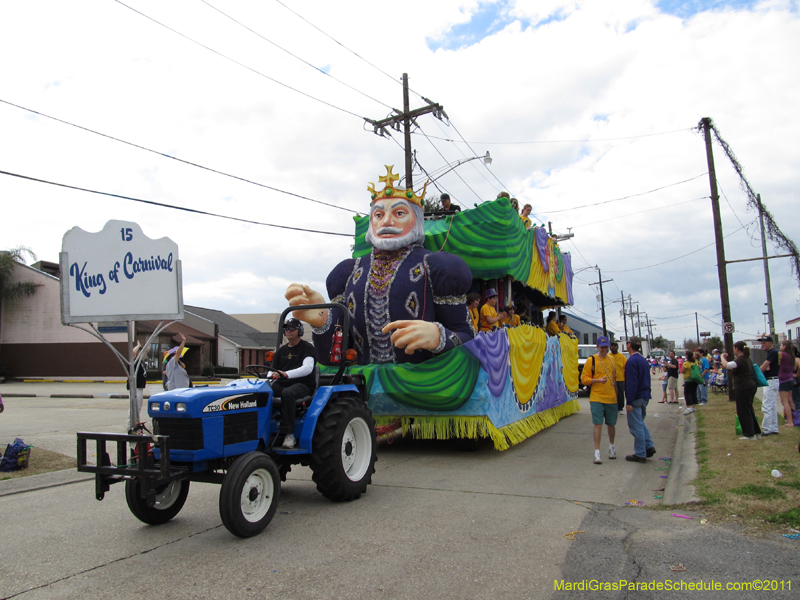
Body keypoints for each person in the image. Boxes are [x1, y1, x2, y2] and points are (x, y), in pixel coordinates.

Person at [286, 166, 474, 365]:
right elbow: (335, 358)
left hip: (426, 382)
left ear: (417, 220)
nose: (386, 222)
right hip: (363, 383)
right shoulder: (348, 273)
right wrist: (323, 322)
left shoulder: (437, 267)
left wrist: (439, 337)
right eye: (378, 215)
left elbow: (468, 338)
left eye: (399, 213)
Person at [269, 318, 317, 449]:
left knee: (288, 393)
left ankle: (289, 434)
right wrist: (270, 376)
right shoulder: (281, 351)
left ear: (299, 331)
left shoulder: (307, 348)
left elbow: (307, 368)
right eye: (286, 328)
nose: (288, 331)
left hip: (303, 384)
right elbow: (272, 370)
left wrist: (286, 374)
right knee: (263, 391)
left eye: (291, 328)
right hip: (283, 383)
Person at [580, 335, 618, 464]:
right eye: (602, 347)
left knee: (611, 424)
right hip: (596, 397)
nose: (604, 349)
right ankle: (597, 452)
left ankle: (612, 447)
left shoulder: (612, 360)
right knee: (598, 424)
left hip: (611, 398)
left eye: (606, 347)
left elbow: (615, 378)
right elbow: (584, 379)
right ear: (597, 347)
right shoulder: (591, 360)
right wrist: (597, 381)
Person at [721, 341, 761, 440]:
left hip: (743, 387)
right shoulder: (747, 359)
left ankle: (749, 434)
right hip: (750, 386)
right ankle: (756, 432)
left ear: (737, 349)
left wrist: (722, 357)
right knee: (749, 409)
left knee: (743, 411)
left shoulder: (740, 360)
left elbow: (727, 365)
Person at [625, 336, 655, 462]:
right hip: (645, 395)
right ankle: (649, 446)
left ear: (629, 345)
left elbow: (632, 383)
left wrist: (629, 401)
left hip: (636, 397)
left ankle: (640, 453)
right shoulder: (643, 360)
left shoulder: (631, 362)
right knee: (640, 423)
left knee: (635, 426)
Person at [758, 336, 780, 436]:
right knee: (772, 406)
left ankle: (767, 429)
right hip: (773, 380)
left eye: (765, 343)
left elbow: (764, 367)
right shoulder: (772, 353)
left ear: (771, 343)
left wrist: (757, 371)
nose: (762, 345)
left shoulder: (772, 352)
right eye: (762, 343)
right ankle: (774, 427)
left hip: (771, 381)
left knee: (766, 406)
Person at [125, 341, 149, 433]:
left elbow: (143, 356)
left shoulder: (140, 362)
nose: (140, 353)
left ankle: (136, 423)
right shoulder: (133, 363)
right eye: (139, 351)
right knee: (134, 407)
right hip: (134, 388)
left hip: (139, 387)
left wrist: (146, 350)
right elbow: (133, 352)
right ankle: (130, 425)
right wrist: (138, 346)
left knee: (138, 407)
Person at [778, 340, 796, 427]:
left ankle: (790, 422)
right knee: (790, 400)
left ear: (784, 346)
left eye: (781, 345)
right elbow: (794, 368)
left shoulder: (782, 354)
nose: (780, 347)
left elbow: (776, 355)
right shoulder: (791, 356)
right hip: (790, 379)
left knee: (784, 401)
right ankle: (795, 418)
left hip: (783, 380)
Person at [609, 342, 627, 416]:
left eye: (614, 346)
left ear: (617, 347)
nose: (613, 347)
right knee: (612, 394)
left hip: (620, 379)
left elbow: (626, 366)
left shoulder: (621, 356)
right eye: (612, 346)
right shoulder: (608, 356)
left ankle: (620, 408)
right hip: (611, 379)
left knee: (620, 394)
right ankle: (612, 408)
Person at [681, 350, 699, 415]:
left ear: (687, 356)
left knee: (687, 393)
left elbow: (682, 371)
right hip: (695, 379)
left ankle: (689, 407)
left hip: (688, 380)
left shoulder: (686, 363)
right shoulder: (695, 362)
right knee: (693, 393)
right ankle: (694, 406)